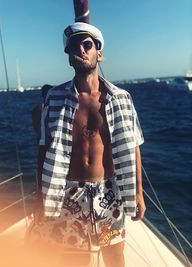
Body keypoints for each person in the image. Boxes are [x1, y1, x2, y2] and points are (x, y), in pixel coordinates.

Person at [35, 22, 146, 267]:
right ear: (69, 58)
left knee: (115, 257)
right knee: (73, 260)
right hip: (68, 193)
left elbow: (134, 146)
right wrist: (39, 197)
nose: (82, 50)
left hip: (109, 193)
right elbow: (44, 149)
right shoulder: (54, 98)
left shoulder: (122, 99)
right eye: (75, 46)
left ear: (99, 53)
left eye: (88, 45)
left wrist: (138, 193)